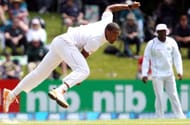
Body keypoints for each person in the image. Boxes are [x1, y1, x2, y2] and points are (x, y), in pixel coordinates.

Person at [3, 2, 140, 112]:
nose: (116, 39)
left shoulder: (107, 22)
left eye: (117, 35)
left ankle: (11, 94)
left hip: (59, 42)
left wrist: (127, 6)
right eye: (114, 35)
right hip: (66, 44)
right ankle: (60, 90)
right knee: (84, 71)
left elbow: (109, 8)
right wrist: (76, 77)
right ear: (108, 31)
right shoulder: (97, 39)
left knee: (39, 73)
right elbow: (83, 55)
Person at [142, 24, 186, 119]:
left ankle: (180, 116)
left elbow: (177, 57)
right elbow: (146, 58)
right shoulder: (151, 43)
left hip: (169, 74)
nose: (162, 33)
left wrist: (179, 71)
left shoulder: (172, 42)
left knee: (174, 95)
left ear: (166, 32)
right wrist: (144, 74)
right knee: (159, 97)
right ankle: (159, 117)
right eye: (160, 31)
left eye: (164, 31)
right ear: (157, 33)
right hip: (157, 75)